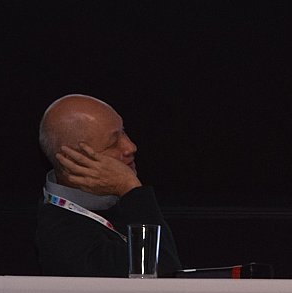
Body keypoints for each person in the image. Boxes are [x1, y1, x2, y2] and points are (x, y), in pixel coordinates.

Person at [35, 94, 183, 277]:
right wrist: (130, 188)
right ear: (73, 160)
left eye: (124, 132)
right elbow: (163, 275)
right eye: (113, 143)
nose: (130, 147)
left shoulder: (109, 200)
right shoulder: (63, 236)